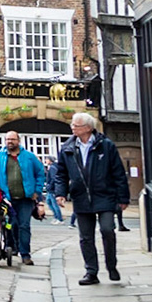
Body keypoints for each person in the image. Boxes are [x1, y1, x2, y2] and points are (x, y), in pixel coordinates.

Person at [52, 112, 131, 286]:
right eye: (72, 124)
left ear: (88, 128)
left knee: (107, 230)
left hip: (105, 196)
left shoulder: (106, 146)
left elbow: (118, 173)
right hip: (81, 197)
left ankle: (111, 266)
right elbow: (61, 174)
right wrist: (60, 193)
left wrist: (123, 197)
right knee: (86, 237)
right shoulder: (67, 148)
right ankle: (91, 271)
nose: (72, 127)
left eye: (76, 125)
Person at [0, 132, 49, 265]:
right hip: (6, 199)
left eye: (12, 139)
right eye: (7, 139)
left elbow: (40, 173)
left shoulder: (29, 157)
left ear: (18, 140)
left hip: (25, 198)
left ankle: (25, 254)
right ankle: (11, 247)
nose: (9, 142)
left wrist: (37, 190)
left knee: (24, 225)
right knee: (9, 225)